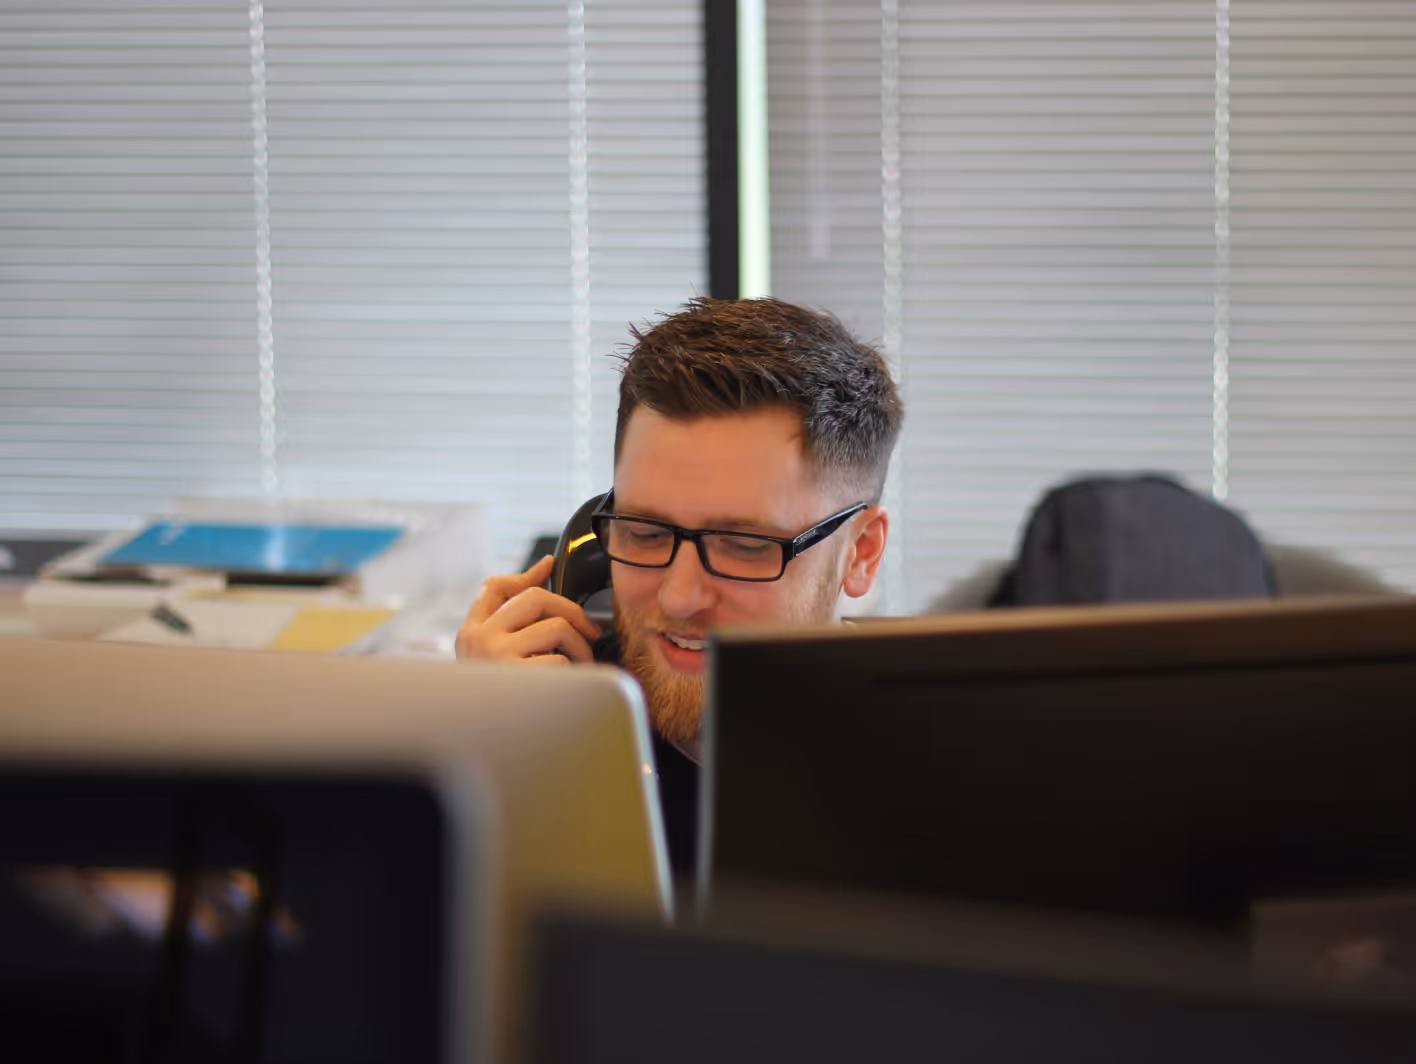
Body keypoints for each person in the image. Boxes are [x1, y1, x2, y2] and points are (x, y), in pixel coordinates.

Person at [455, 297, 903, 874]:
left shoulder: (941, 785)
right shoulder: (545, 723)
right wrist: (473, 749)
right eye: (643, 531)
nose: (679, 598)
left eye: (744, 545)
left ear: (861, 552)